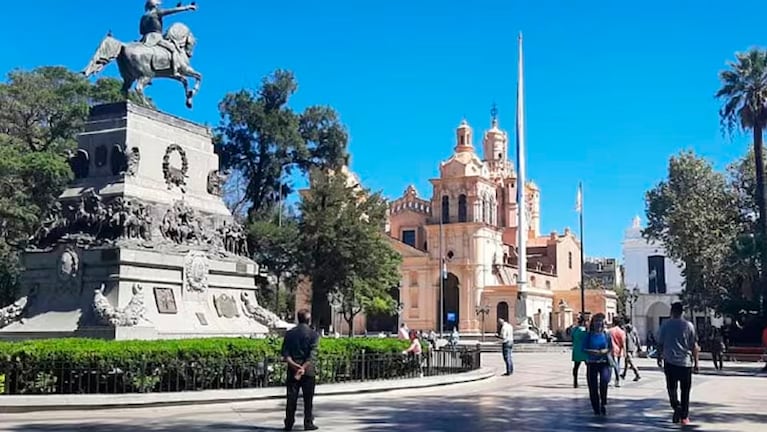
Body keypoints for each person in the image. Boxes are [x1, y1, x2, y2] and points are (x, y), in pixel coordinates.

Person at [657, 302, 700, 426]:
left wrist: (659, 357)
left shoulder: (665, 325)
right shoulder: (689, 325)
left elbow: (660, 342)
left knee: (671, 388)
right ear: (682, 312)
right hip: (685, 363)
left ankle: (676, 406)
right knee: (685, 390)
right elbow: (694, 346)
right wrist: (696, 363)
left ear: (672, 311)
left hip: (670, 362)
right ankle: (684, 417)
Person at [280, 309, 319, 431]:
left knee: (291, 398)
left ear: (298, 318)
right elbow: (312, 355)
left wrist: (294, 366)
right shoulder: (313, 334)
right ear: (308, 319)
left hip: (292, 371)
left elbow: (285, 354)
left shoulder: (290, 334)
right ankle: (308, 422)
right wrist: (303, 368)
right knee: (308, 399)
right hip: (308, 371)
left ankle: (289, 423)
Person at [139, 0, 197, 74]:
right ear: (155, 5)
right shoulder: (156, 12)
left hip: (145, 38)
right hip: (156, 37)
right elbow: (171, 11)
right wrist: (186, 7)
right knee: (174, 50)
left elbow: (141, 31)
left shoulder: (144, 17)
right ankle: (175, 70)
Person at [583, 313, 613, 416]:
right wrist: (593, 352)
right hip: (592, 363)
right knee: (593, 386)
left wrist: (604, 351)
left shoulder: (606, 335)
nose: (598, 323)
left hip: (604, 363)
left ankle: (603, 402)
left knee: (604, 383)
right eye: (596, 321)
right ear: (593, 323)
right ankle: (596, 407)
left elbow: (610, 347)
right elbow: (583, 348)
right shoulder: (588, 335)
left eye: (600, 321)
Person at [570, 314, 588, 388]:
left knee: (576, 367)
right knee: (588, 367)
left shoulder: (574, 330)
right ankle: (589, 380)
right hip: (585, 351)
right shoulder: (585, 330)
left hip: (576, 350)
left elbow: (571, 337)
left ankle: (575, 381)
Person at [608, 319, 626, 388]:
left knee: (611, 365)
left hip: (611, 350)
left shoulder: (609, 331)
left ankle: (611, 379)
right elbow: (623, 343)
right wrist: (625, 352)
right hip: (619, 350)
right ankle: (617, 380)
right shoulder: (621, 332)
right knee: (617, 364)